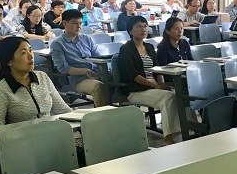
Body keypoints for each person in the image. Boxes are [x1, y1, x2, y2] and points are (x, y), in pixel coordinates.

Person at [119, 16, 181, 144]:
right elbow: (133, 75)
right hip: (137, 90)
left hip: (154, 87)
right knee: (168, 97)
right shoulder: (126, 49)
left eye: (145, 26)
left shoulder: (150, 47)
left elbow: (157, 69)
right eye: (138, 27)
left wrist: (161, 83)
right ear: (130, 31)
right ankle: (168, 138)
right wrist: (155, 86)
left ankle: (187, 130)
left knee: (181, 94)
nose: (143, 29)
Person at [0, 37, 72, 126]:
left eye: (30, 51)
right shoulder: (1, 89)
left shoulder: (42, 77)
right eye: (23, 53)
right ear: (9, 61)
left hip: (49, 130)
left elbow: (63, 110)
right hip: (22, 134)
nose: (31, 56)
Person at [50, 9, 109, 107]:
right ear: (64, 23)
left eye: (80, 23)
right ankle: (104, 113)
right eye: (75, 23)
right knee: (98, 86)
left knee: (118, 80)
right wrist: (86, 71)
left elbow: (99, 58)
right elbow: (63, 68)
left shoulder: (87, 38)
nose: (79, 26)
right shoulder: (57, 44)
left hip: (97, 73)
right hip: (79, 79)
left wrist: (101, 72)